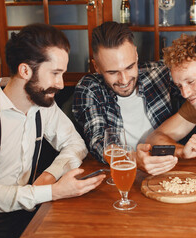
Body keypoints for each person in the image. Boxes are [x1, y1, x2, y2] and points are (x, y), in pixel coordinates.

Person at [0, 23, 105, 238]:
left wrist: (49, 176)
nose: (61, 84)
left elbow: (76, 145)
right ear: (25, 70)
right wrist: (53, 191)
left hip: (27, 213)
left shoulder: (45, 106)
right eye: (55, 73)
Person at [72, 21, 180, 175]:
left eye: (129, 67)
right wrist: (133, 159)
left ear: (136, 54)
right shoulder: (90, 88)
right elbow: (99, 143)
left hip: (168, 168)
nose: (124, 80)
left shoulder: (158, 74)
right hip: (119, 173)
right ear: (96, 67)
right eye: (112, 72)